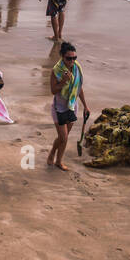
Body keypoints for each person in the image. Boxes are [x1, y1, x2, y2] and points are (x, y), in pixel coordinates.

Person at [49, 41, 90, 171]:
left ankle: (53, 154)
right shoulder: (56, 71)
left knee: (63, 138)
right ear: (62, 56)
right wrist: (64, 81)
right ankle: (58, 161)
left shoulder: (76, 67)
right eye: (69, 58)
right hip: (59, 108)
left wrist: (85, 106)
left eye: (74, 58)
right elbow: (53, 91)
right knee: (64, 137)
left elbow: (79, 88)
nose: (72, 60)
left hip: (72, 105)